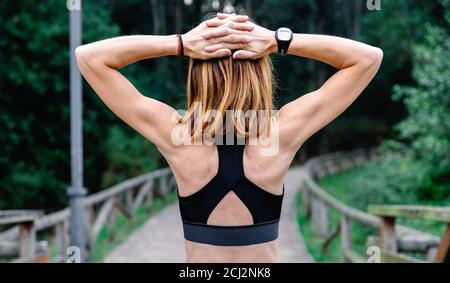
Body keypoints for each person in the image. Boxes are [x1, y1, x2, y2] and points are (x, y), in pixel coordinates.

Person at [75, 13, 383, 263]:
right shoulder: (280, 134)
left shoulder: (178, 136)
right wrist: (278, 40)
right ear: (260, 71)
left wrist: (181, 43)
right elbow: (368, 58)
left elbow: (89, 57)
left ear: (197, 72)